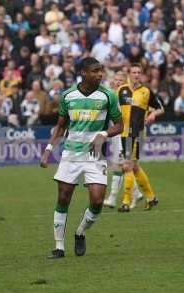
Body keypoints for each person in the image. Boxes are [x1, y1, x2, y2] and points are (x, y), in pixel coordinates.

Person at [40, 57, 123, 259]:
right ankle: (59, 246)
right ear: (83, 73)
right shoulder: (68, 95)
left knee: (97, 201)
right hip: (70, 155)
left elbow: (120, 125)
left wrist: (103, 135)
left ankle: (80, 232)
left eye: (101, 70)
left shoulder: (108, 96)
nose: (100, 74)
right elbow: (61, 125)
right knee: (63, 197)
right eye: (95, 71)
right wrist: (49, 148)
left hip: (95, 156)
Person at [116, 63, 164, 213]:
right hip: (123, 133)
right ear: (129, 74)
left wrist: (153, 114)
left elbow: (160, 108)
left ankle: (126, 201)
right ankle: (151, 197)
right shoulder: (121, 90)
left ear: (141, 75)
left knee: (127, 165)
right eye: (134, 72)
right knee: (134, 166)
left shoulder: (146, 92)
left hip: (136, 134)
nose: (136, 74)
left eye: (139, 72)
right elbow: (114, 109)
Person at [104, 71, 143, 210]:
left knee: (121, 165)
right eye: (115, 79)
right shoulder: (112, 94)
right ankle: (137, 193)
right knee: (120, 165)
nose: (117, 82)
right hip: (115, 135)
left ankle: (113, 198)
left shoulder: (127, 96)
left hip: (125, 134)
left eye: (120, 80)